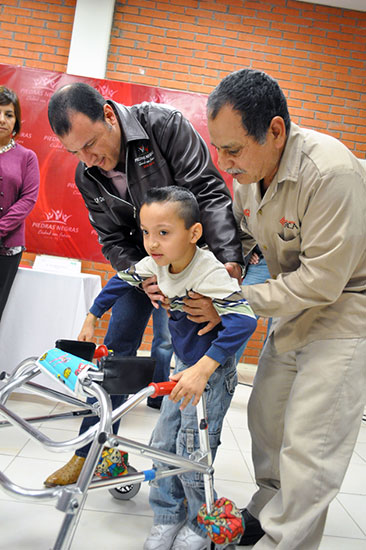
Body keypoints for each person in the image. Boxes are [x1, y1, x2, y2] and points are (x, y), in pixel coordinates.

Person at [180, 68, 366, 550]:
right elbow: (246, 237)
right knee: (265, 416)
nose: (224, 163)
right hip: (293, 304)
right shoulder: (250, 177)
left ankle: (287, 539)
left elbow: (325, 281)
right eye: (217, 148)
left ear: (276, 131)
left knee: (311, 442)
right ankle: (268, 506)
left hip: (347, 310)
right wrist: (224, 267)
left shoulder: (330, 172)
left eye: (233, 150)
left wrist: (233, 301)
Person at [44, 82, 245, 487]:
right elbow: (112, 239)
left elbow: (206, 190)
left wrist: (227, 261)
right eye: (76, 152)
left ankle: (180, 467)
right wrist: (143, 275)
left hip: (190, 265)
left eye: (92, 143)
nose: (89, 159)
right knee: (113, 355)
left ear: (109, 114)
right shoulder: (89, 175)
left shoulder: (163, 125)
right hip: (143, 269)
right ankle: (91, 453)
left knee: (180, 354)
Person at [101, 186, 257, 550]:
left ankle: (202, 525)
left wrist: (203, 369)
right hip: (184, 368)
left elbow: (244, 322)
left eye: (163, 232)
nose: (152, 243)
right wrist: (92, 315)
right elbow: (121, 280)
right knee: (161, 444)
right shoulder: (155, 262)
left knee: (193, 452)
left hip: (211, 374)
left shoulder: (210, 271)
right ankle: (167, 516)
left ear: (194, 233)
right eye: (145, 232)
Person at [0, 86, 40, 321]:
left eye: (9, 114)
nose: (2, 120)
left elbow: (28, 199)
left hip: (7, 248)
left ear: (16, 121)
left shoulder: (27, 157)